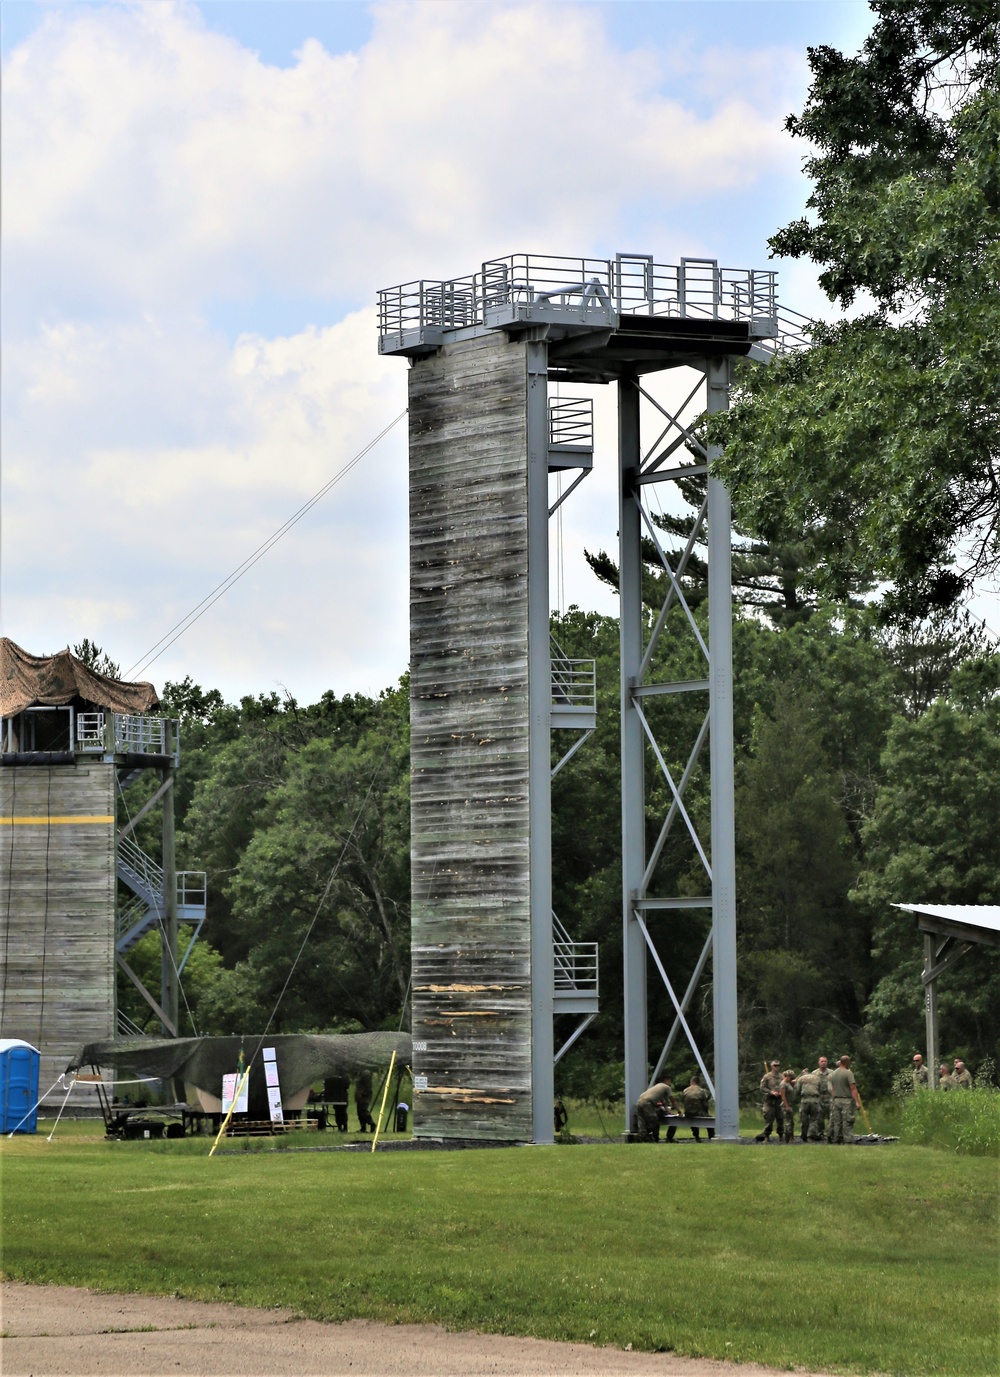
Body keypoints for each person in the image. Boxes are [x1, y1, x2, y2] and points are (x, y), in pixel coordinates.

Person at [667, 1075, 714, 1141]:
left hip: (688, 1113)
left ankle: (696, 1136)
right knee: (710, 1120)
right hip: (699, 1113)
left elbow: (683, 1102)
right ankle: (711, 1136)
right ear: (698, 1083)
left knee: (692, 1118)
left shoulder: (685, 1090)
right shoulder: (701, 1091)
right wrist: (706, 1112)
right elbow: (705, 1105)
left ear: (691, 1082)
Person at [828, 1054, 861, 1144]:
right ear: (846, 1062)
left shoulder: (833, 1073)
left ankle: (837, 1139)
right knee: (847, 1120)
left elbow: (833, 1088)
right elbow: (853, 1088)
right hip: (846, 1100)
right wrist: (857, 1102)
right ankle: (848, 1140)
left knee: (837, 1122)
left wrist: (833, 1099)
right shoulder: (848, 1073)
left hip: (836, 1100)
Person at [755, 1061, 786, 1142]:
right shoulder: (767, 1077)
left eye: (778, 1065)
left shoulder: (782, 1077)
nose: (777, 1067)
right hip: (769, 1101)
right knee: (769, 1119)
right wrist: (771, 1092)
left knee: (780, 1119)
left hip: (779, 1101)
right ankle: (766, 1136)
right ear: (771, 1066)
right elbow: (762, 1088)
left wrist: (781, 1093)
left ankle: (781, 1135)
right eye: (775, 1065)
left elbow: (785, 1086)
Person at [795, 1067, 822, 1142]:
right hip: (815, 1100)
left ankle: (804, 1134)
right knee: (814, 1118)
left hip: (805, 1100)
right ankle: (810, 1135)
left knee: (804, 1118)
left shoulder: (801, 1078)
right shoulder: (817, 1078)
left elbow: (797, 1090)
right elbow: (820, 1089)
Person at [814, 1056, 832, 1140]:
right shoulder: (814, 1073)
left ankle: (830, 1133)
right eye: (822, 1061)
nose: (823, 1063)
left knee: (831, 1116)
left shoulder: (831, 1073)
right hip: (819, 1096)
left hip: (829, 1096)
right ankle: (820, 1133)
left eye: (825, 1061)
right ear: (819, 1062)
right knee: (819, 1117)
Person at [780, 1069, 798, 1143]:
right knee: (788, 1122)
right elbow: (783, 1096)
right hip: (786, 1105)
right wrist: (786, 1106)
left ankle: (791, 1137)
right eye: (790, 1077)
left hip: (790, 1104)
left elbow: (795, 1081)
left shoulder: (788, 1083)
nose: (791, 1078)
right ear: (787, 1076)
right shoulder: (783, 1084)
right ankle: (787, 1138)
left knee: (791, 1122)